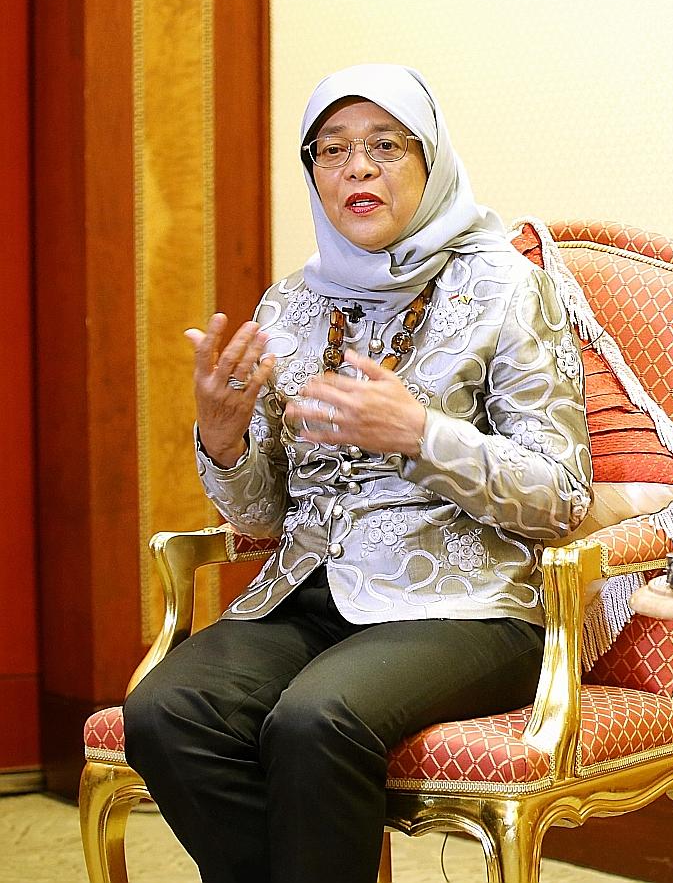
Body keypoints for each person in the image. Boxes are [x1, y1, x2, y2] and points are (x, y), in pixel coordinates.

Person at [123, 63, 594, 883]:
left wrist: (421, 435)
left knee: (316, 719)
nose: (358, 168)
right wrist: (225, 439)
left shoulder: (509, 291)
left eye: (384, 145)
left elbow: (560, 495)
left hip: (469, 608)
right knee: (165, 710)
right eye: (332, 150)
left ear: (431, 159)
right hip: (306, 595)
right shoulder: (290, 305)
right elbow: (266, 515)